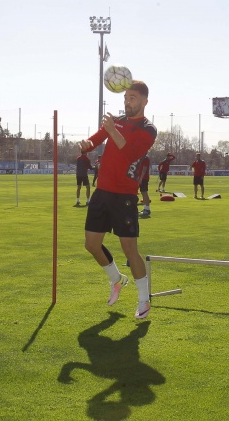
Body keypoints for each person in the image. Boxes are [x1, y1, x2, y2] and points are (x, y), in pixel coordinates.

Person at [78, 81, 157, 319]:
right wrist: (86, 145)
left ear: (144, 101)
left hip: (124, 195)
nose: (127, 101)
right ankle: (117, 279)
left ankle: (144, 299)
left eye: (132, 97)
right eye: (125, 97)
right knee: (91, 245)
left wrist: (112, 130)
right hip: (102, 192)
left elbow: (131, 152)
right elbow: (95, 139)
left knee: (129, 250)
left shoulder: (148, 128)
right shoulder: (118, 121)